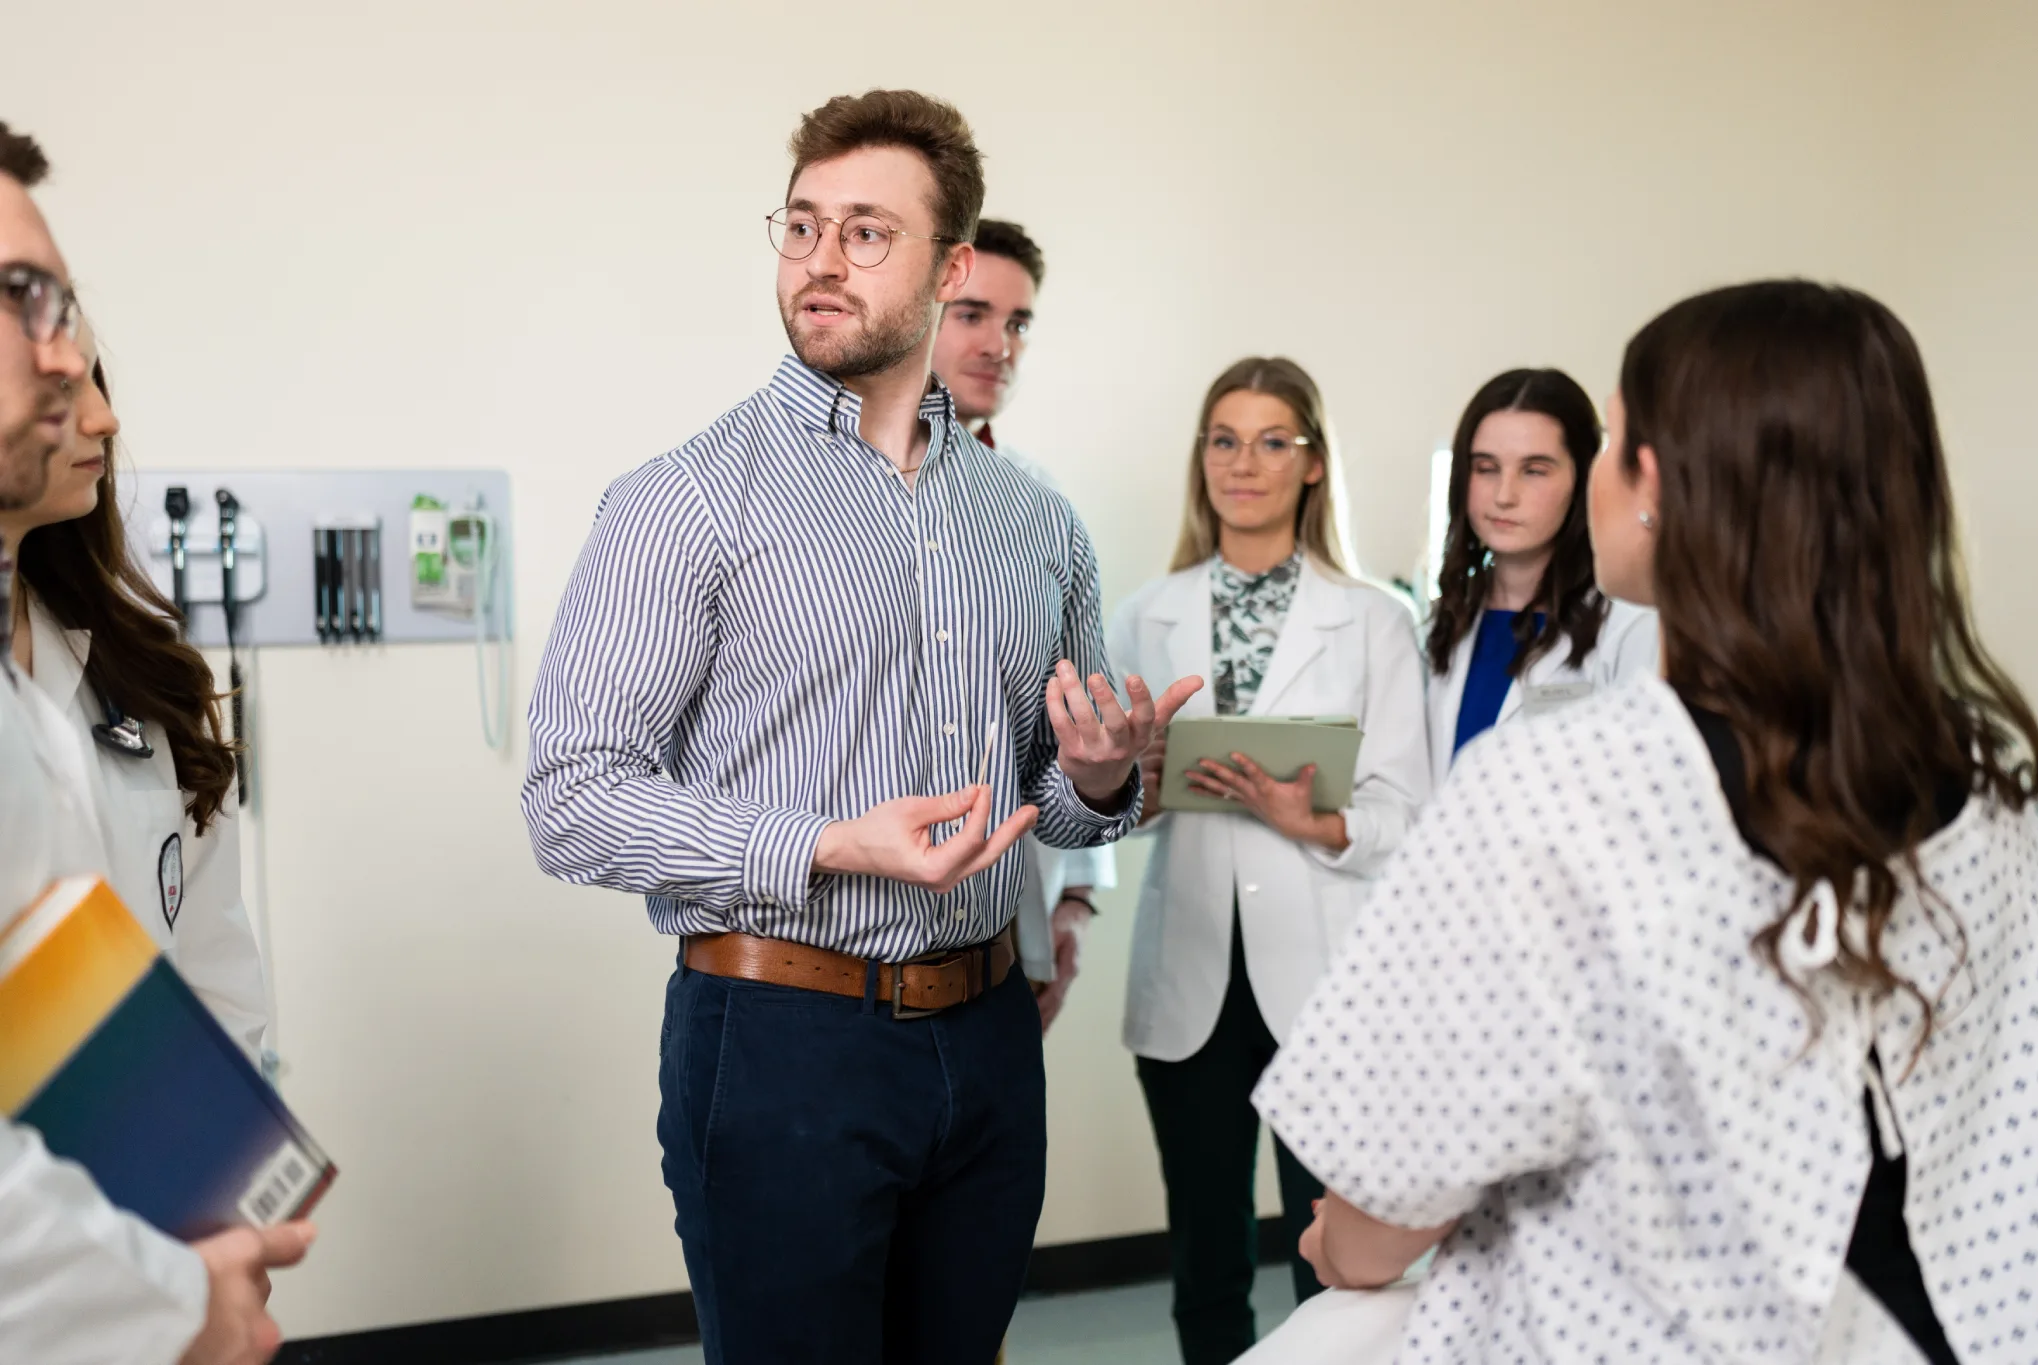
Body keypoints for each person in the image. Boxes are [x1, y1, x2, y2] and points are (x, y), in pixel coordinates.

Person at [522, 90, 1201, 1365]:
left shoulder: (1031, 522)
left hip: (989, 1037)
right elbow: (568, 798)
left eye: (866, 232)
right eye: (801, 225)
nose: (821, 261)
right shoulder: (684, 503)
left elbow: (1046, 798)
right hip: (781, 1043)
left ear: (949, 268)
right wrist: (829, 842)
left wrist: (1102, 781)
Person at [1251, 280, 2038, 1363]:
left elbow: (1384, 1213)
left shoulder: (1559, 788)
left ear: (1653, 486)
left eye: (1603, 441)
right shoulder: (1990, 769)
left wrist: (1339, 1245)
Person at [0, 120, 311, 1365]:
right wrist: (173, 1304)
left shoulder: (75, 686)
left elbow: (189, 978)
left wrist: (226, 1218)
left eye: (63, 307)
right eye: (25, 301)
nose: (74, 369)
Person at [1106, 357, 1429, 1365]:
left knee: (1332, 1261)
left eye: (1270, 441)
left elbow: (1405, 812)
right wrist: (1136, 786)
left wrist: (1314, 823)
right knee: (1205, 1257)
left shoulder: (1374, 617)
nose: (1242, 464)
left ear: (1313, 465)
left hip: (1325, 983)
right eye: (1222, 440)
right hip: (1190, 976)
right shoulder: (1144, 614)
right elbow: (1102, 813)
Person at [4, 331, 267, 1059]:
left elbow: (215, 974)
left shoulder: (141, 674)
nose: (103, 417)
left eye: (93, 381)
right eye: (59, 390)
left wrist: (222, 1158)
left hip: (160, 1149)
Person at [929, 216, 1115, 1031]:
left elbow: (1075, 717)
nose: (999, 343)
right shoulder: (812, 491)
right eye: (972, 314)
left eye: (1018, 323)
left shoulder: (1041, 510)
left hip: (1006, 944)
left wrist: (1074, 899)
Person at [1422, 368, 1658, 787]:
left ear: (1583, 478)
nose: (1504, 495)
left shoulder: (1629, 625)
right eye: (1486, 468)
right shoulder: (1440, 624)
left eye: (1534, 470)